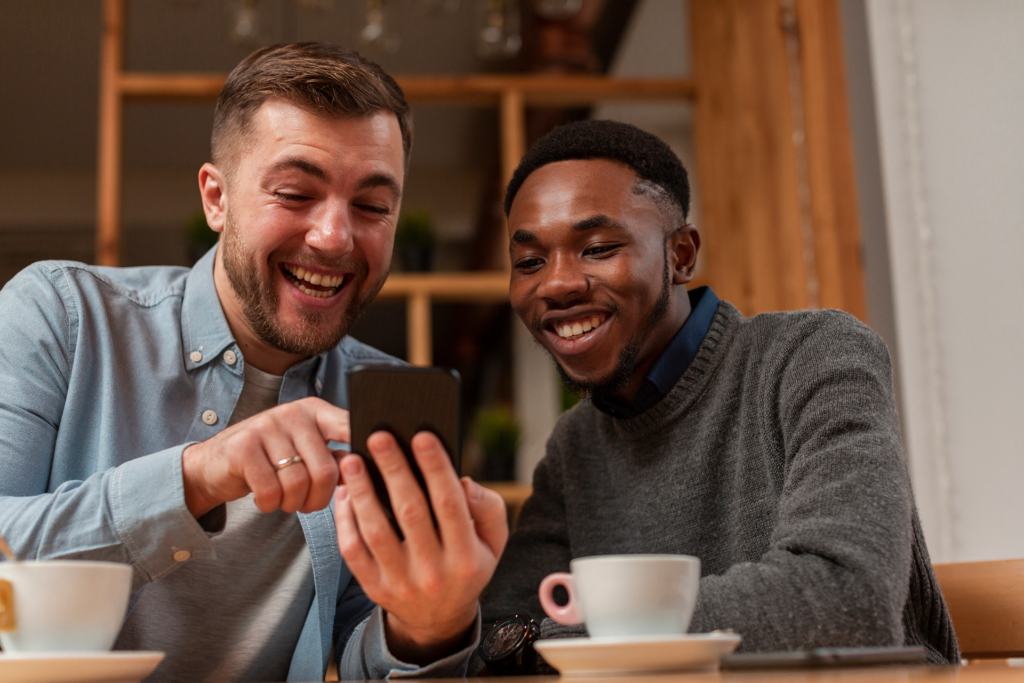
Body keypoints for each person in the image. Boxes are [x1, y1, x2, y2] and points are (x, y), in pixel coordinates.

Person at [0, 42, 507, 682]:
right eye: (295, 193)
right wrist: (199, 476)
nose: (334, 237)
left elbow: (362, 659)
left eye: (373, 207)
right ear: (216, 199)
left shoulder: (392, 400)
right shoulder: (59, 315)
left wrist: (426, 629)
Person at [479, 119, 959, 666]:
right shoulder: (575, 445)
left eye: (597, 247)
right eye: (529, 263)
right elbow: (497, 637)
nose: (557, 283)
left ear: (681, 255)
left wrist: (567, 641)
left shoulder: (813, 355)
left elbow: (846, 599)